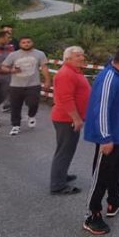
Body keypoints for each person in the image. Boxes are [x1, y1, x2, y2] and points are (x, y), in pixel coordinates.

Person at [82, 44, 119, 235]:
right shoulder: (109, 78)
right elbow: (101, 109)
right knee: (101, 175)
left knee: (117, 168)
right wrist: (105, 138)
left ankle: (114, 201)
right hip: (108, 136)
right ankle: (92, 215)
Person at [49, 46, 90, 195]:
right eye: (77, 56)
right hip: (66, 119)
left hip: (68, 118)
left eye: (82, 55)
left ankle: (61, 175)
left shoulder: (74, 72)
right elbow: (66, 99)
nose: (81, 58)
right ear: (67, 58)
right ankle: (58, 185)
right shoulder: (66, 74)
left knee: (67, 149)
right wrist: (76, 118)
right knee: (64, 151)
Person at [0, 36, 50, 136]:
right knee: (15, 106)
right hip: (16, 85)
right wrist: (11, 70)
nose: (26, 44)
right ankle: (16, 125)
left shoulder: (39, 54)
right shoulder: (13, 55)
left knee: (33, 103)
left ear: (32, 43)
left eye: (28, 42)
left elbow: (44, 67)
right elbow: (3, 67)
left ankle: (31, 115)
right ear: (20, 44)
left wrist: (47, 81)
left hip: (33, 84)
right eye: (23, 42)